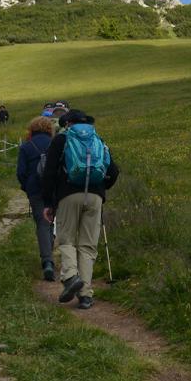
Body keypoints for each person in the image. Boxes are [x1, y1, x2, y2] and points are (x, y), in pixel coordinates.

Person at [41, 109, 119, 309]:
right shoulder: (98, 139)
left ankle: (70, 277)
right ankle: (85, 295)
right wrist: (101, 191)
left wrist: (48, 202)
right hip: (95, 197)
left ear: (68, 123)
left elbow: (49, 171)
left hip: (68, 195)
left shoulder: (61, 140)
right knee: (88, 246)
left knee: (66, 239)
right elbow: (114, 170)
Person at [16, 116, 56, 280]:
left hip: (35, 189)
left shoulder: (26, 146)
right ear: (49, 129)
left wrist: (27, 187)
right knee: (52, 222)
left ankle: (47, 261)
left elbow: (21, 173)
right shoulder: (56, 143)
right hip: (54, 188)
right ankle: (50, 254)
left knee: (42, 222)